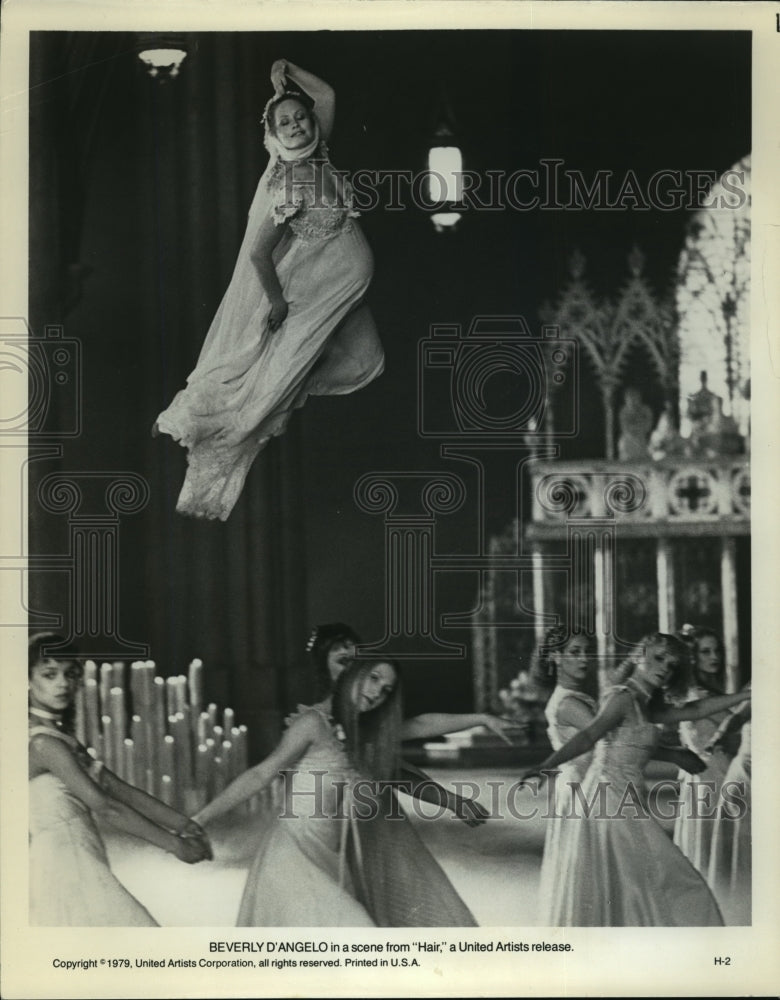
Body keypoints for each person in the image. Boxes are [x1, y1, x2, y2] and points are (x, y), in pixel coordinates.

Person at [154, 60, 383, 520]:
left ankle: (287, 379)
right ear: (273, 133)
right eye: (285, 122)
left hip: (342, 293)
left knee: (369, 363)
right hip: (310, 298)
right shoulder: (289, 182)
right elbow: (259, 255)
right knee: (260, 396)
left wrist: (287, 73)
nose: (296, 125)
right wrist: (277, 302)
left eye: (300, 117)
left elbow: (329, 96)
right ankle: (204, 474)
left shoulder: (319, 155)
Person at [194, 659, 479, 926]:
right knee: (356, 941)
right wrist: (201, 818)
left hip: (334, 858)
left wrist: (482, 719)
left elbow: (421, 725)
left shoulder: (364, 734)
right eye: (373, 678)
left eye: (386, 690)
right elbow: (261, 773)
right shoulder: (313, 724)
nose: (377, 692)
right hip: (293, 855)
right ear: (352, 676)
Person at [520, 633, 750, 926]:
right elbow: (590, 735)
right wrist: (546, 765)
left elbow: (694, 709)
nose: (665, 667)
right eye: (658, 658)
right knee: (670, 876)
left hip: (626, 797)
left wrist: (746, 696)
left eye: (671, 663)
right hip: (607, 798)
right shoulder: (622, 697)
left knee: (639, 879)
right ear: (638, 655)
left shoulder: (645, 703)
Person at [28, 633, 212, 926]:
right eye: (49, 675)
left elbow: (118, 788)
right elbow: (106, 807)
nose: (62, 683)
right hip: (64, 862)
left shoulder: (60, 738)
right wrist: (175, 845)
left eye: (70, 674)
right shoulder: (43, 744)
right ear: (27, 680)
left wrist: (184, 824)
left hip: (81, 854)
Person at [305, 622, 510, 825]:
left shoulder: (364, 715)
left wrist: (482, 718)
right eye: (342, 658)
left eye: (355, 660)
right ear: (322, 664)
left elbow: (416, 732)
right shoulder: (312, 722)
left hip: (354, 826)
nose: (351, 667)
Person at [672, 625, 736, 875]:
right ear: (692, 658)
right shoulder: (697, 696)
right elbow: (741, 723)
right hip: (710, 781)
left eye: (716, 650)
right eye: (705, 652)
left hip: (715, 777)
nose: (714, 657)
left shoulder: (709, 693)